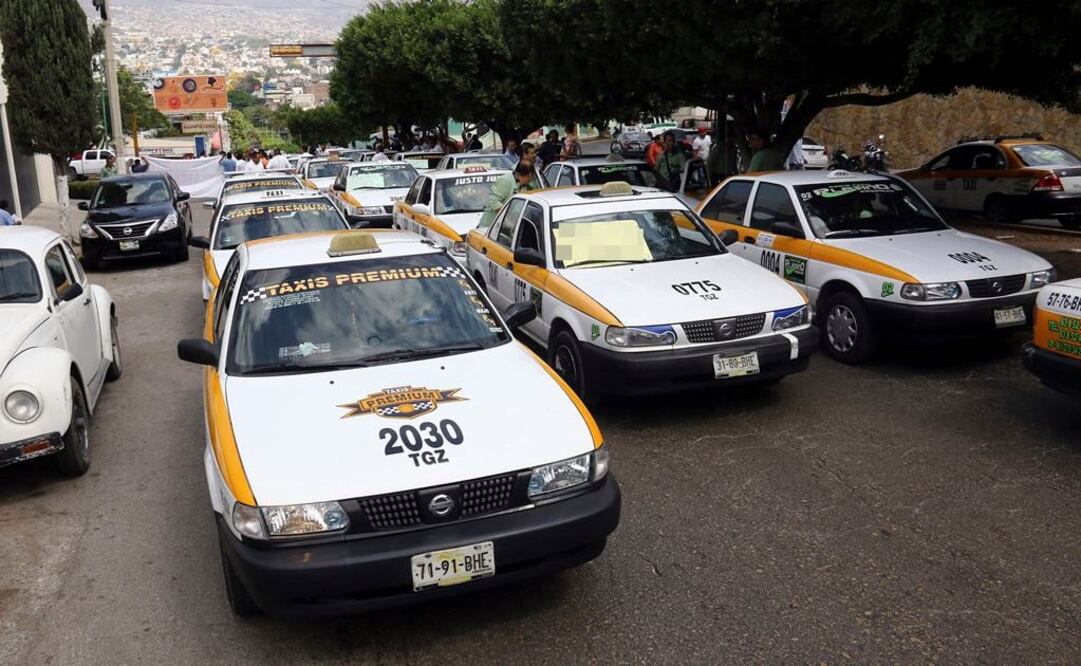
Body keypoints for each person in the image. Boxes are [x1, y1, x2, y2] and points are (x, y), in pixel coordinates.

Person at [479, 162, 535, 227]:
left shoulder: (525, 186)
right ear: (519, 174)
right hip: (489, 227)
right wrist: (508, 219)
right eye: (528, 177)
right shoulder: (505, 180)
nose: (530, 179)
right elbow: (494, 202)